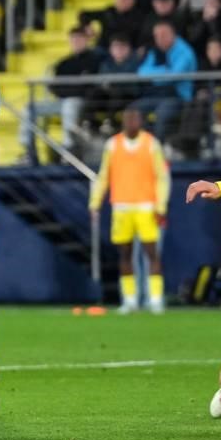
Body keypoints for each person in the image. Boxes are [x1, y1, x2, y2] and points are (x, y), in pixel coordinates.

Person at [88, 109, 169, 315]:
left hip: (146, 206)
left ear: (140, 122)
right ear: (123, 122)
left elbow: (161, 176)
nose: (132, 122)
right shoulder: (112, 144)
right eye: (128, 119)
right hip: (121, 207)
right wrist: (95, 202)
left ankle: (155, 299)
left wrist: (161, 205)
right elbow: (104, 175)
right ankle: (130, 299)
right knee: (125, 254)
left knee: (152, 254)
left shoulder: (151, 144)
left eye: (135, 119)